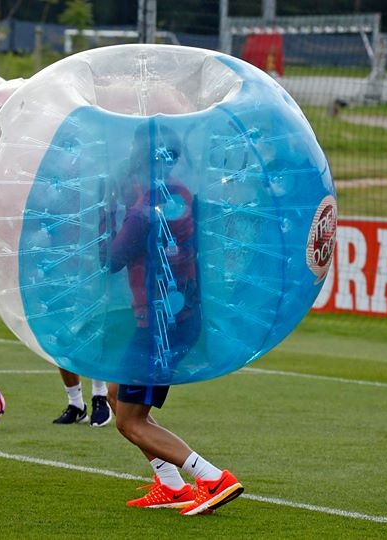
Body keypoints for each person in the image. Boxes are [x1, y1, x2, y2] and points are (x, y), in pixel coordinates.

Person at [104, 129, 243, 515]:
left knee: (130, 421)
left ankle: (212, 478)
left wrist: (104, 215)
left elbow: (111, 259)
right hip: (177, 317)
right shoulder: (181, 195)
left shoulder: (142, 212)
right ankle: (171, 484)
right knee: (115, 393)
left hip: (158, 328)